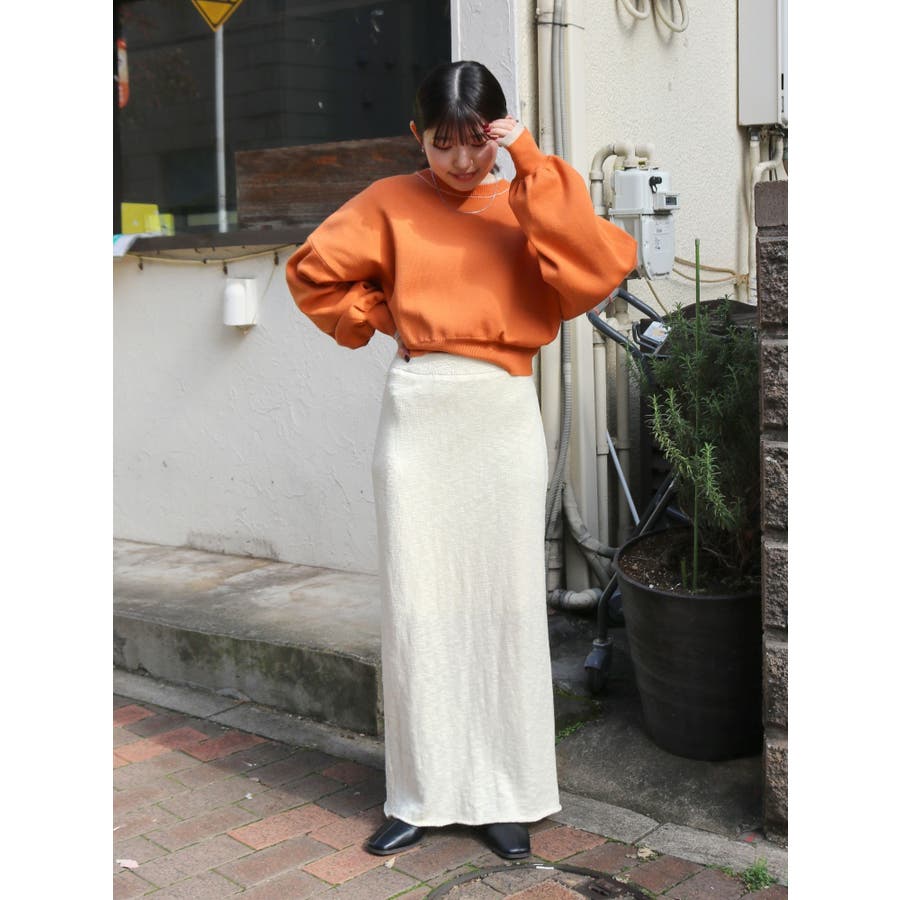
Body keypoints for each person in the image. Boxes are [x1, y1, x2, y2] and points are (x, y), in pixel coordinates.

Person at [285, 60, 637, 861]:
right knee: (418, 608)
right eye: (443, 144)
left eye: (476, 142)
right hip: (419, 414)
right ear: (418, 137)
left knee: (504, 607)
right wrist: (381, 314)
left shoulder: (528, 198)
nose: (461, 161)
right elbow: (312, 273)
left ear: (498, 133)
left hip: (500, 414)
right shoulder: (389, 202)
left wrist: (531, 159)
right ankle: (421, 792)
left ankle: (505, 793)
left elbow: (596, 267)